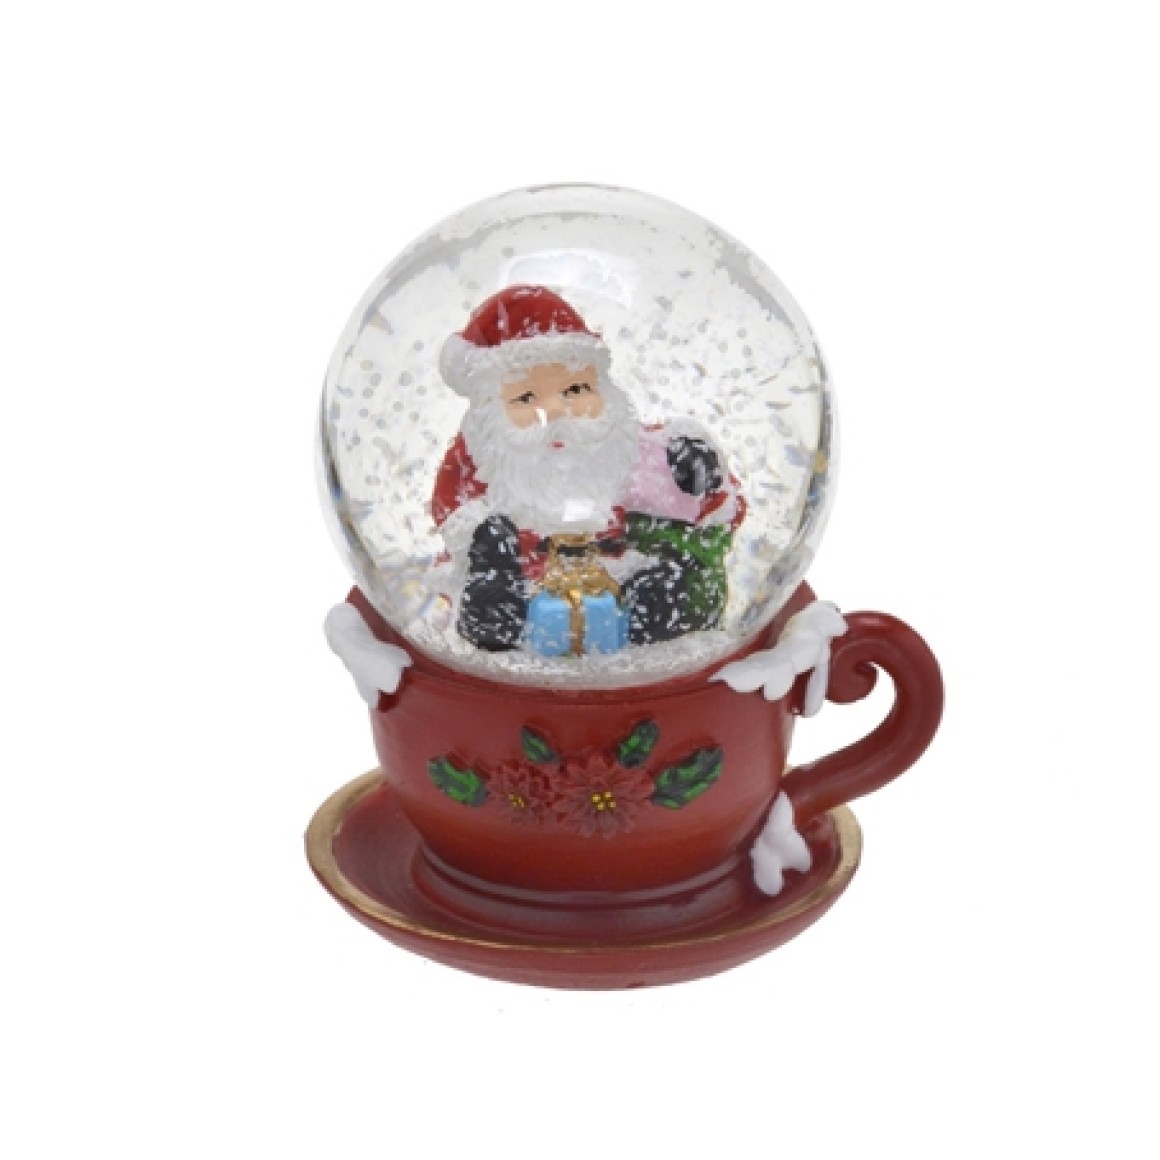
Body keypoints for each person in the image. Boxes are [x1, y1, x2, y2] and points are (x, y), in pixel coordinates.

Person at [433, 285, 744, 652]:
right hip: (527, 589)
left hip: (621, 582)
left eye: (576, 389)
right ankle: (505, 626)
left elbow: (716, 508)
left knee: (670, 590)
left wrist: (696, 475)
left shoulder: (629, 450)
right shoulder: (486, 459)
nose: (557, 410)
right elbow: (453, 518)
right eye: (526, 397)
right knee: (492, 582)